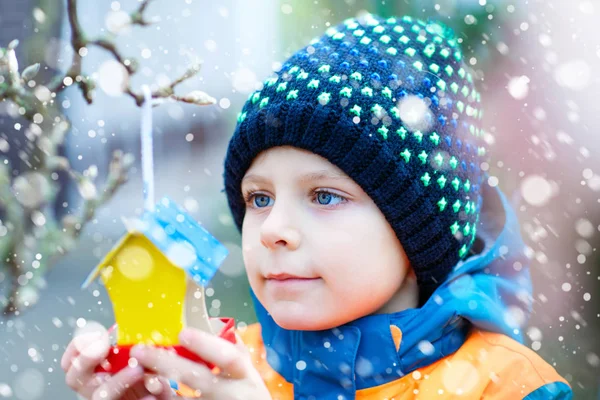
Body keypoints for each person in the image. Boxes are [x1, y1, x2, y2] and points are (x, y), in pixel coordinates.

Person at [63, 13, 572, 399]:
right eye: (259, 198)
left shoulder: (509, 387)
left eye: (325, 196)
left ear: (417, 231)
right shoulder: (216, 371)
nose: (272, 230)